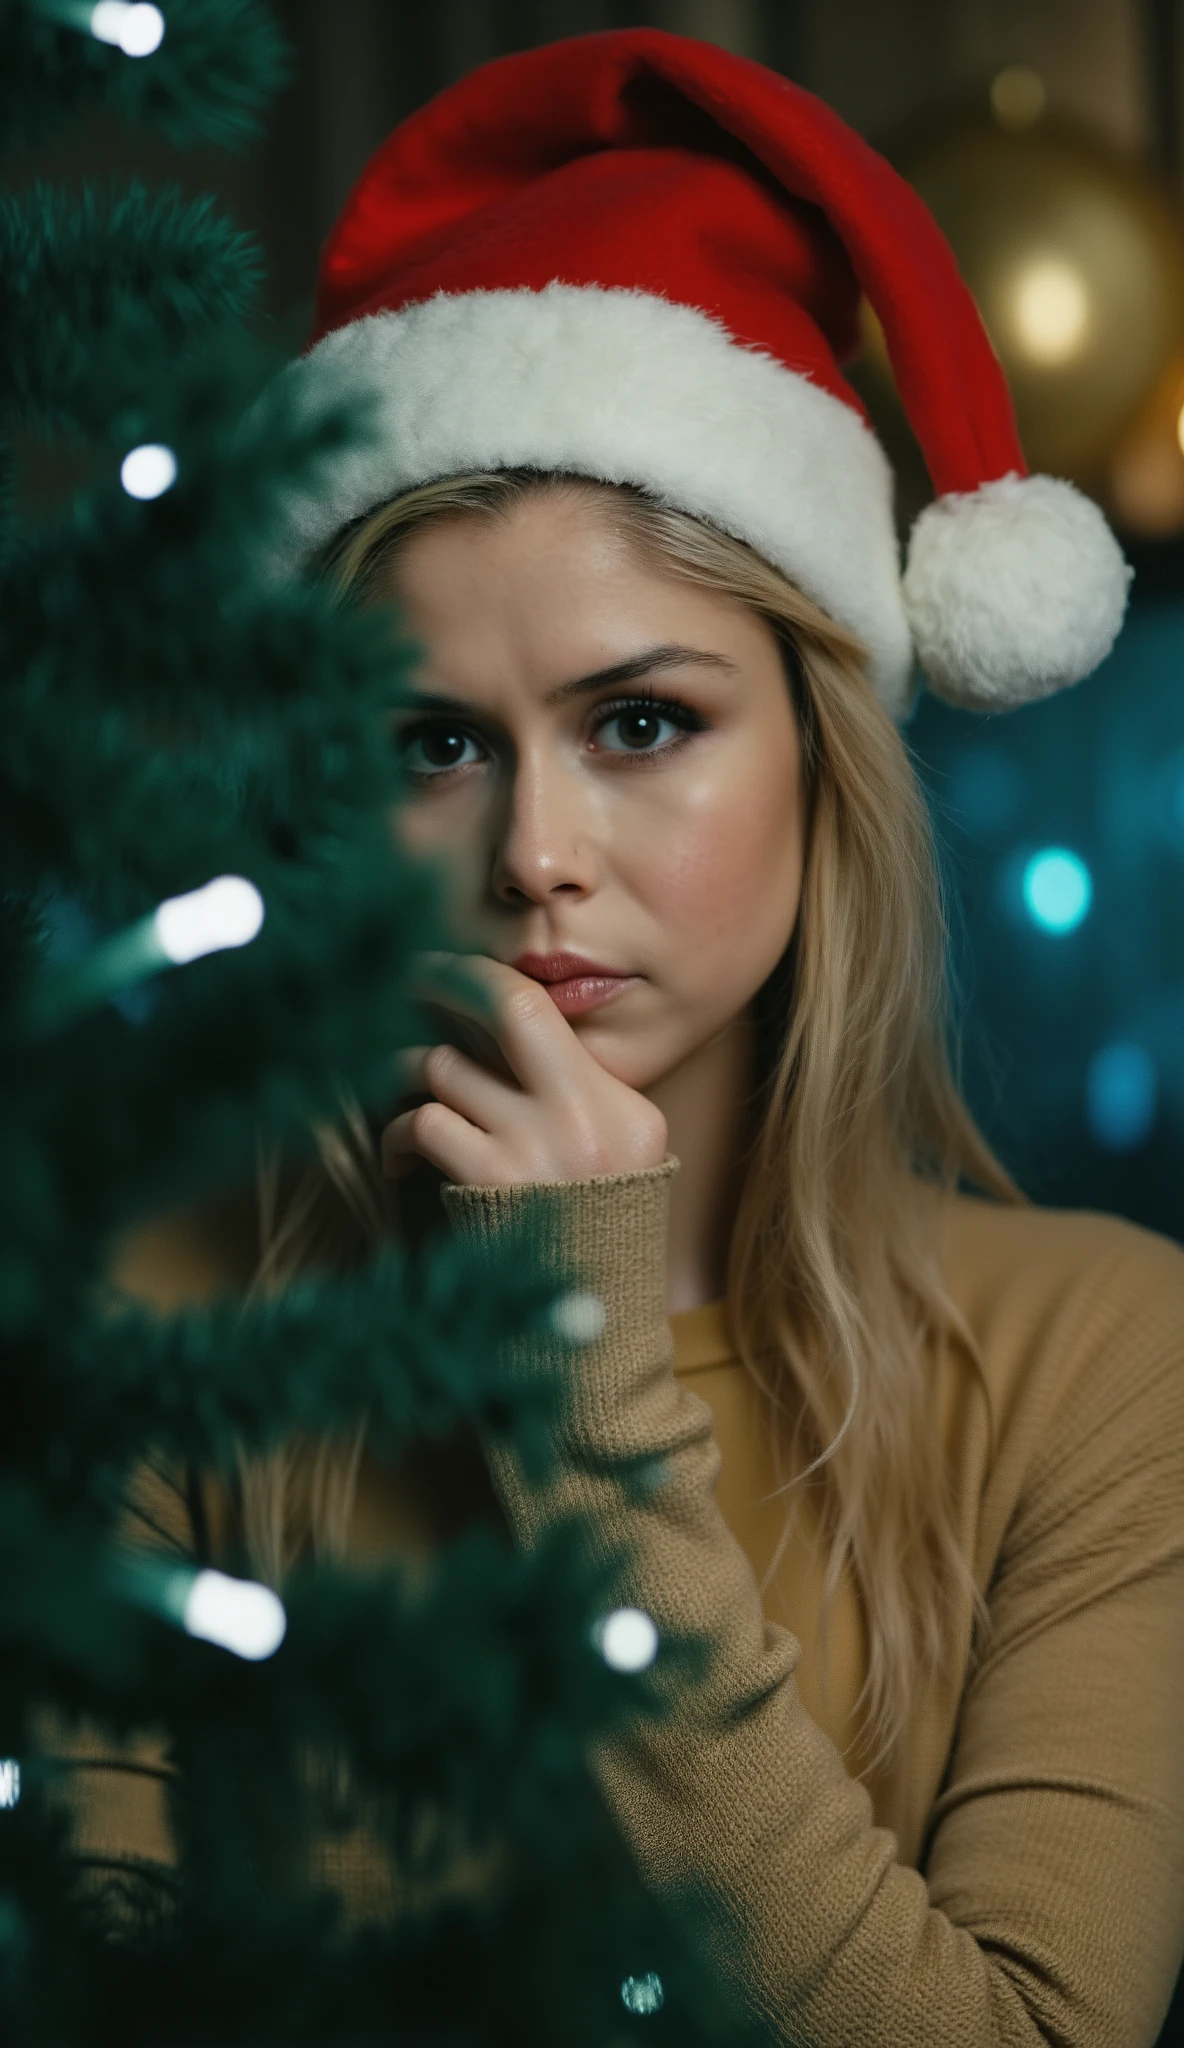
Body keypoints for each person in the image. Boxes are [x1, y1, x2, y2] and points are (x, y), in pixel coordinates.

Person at [90, 26, 1183, 2046]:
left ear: (819, 759)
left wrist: (572, 1363)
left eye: (640, 721)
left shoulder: (1106, 1361)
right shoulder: (155, 1344)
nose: (534, 854)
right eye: (434, 743)